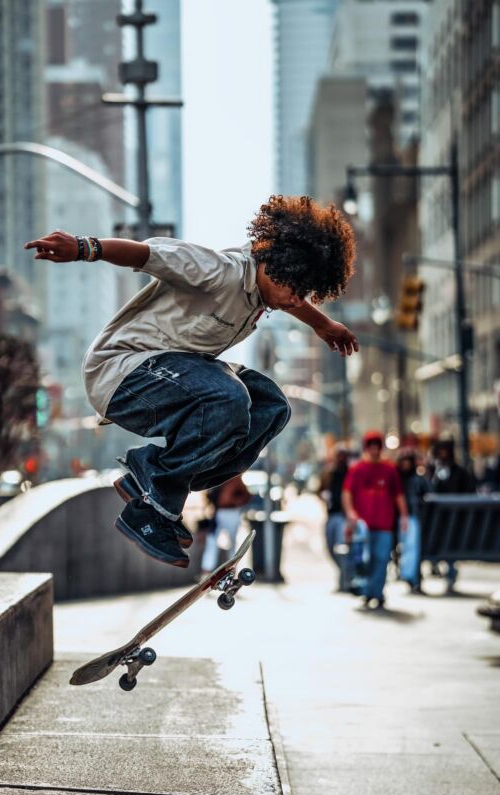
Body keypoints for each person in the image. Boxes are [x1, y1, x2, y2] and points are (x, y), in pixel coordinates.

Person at [25, 195, 358, 568]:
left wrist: (324, 325)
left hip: (172, 374)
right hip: (121, 373)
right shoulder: (220, 270)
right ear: (275, 265)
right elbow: (147, 254)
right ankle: (151, 500)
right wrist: (85, 248)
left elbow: (291, 299)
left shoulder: (271, 288)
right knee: (229, 397)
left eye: (304, 293)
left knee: (271, 405)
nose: (294, 300)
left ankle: (155, 485)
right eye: (292, 289)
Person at [342, 431, 409, 609]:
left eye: (376, 447)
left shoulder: (389, 469)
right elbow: (347, 492)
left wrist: (404, 516)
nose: (373, 451)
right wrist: (350, 513)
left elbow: (398, 494)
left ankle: (377, 593)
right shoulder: (357, 469)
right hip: (363, 526)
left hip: (384, 524)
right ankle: (365, 591)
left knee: (381, 559)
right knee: (364, 560)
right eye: (371, 447)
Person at [430, 437, 476, 591]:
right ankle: (438, 567)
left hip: (455, 517)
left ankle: (450, 573)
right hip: (438, 518)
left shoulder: (460, 472)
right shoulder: (435, 471)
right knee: (439, 543)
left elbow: (469, 491)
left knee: (452, 544)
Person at [201, 475, 252, 575]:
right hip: (218, 512)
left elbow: (247, 495)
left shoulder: (235, 478)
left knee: (232, 543)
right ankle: (206, 570)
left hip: (231, 512)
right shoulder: (217, 476)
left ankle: (232, 570)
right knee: (212, 540)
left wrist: (236, 501)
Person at [396, 449, 431, 593]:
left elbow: (428, 495)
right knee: (405, 548)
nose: (405, 465)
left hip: (413, 517)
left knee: (412, 548)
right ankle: (409, 575)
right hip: (398, 518)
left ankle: (411, 577)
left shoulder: (418, 480)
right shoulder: (397, 478)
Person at [319, 444, 350, 588]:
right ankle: (344, 574)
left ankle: (345, 580)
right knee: (330, 547)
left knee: (342, 548)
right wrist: (323, 495)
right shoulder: (328, 473)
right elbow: (319, 490)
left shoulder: (350, 473)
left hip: (344, 516)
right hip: (331, 514)